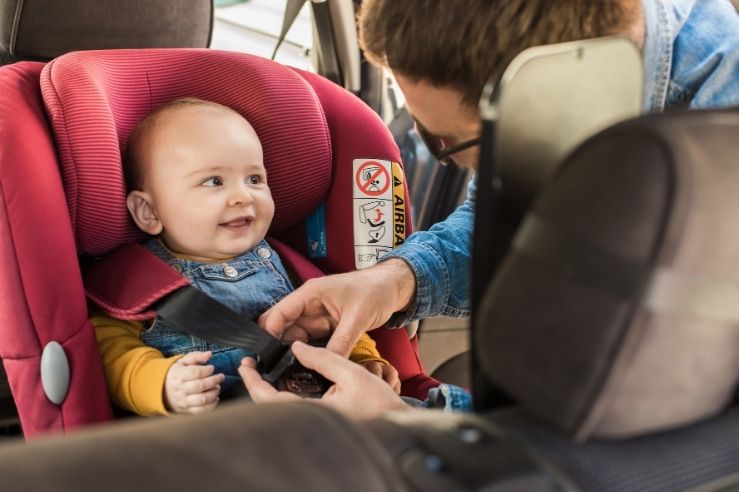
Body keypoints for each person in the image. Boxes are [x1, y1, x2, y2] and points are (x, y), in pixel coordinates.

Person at [241, 0, 739, 418]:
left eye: (446, 141)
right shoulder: (565, 77)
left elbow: (662, 437)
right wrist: (395, 280)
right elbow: (505, 211)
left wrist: (405, 424)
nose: (422, 141)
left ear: (552, 96)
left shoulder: (721, 150)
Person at [91, 98, 400, 416]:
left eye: (254, 179)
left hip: (321, 413)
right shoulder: (140, 283)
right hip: (225, 433)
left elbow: (336, 318)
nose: (243, 196)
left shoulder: (287, 264)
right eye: (213, 182)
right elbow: (111, 352)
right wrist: (163, 384)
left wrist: (363, 360)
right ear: (149, 211)